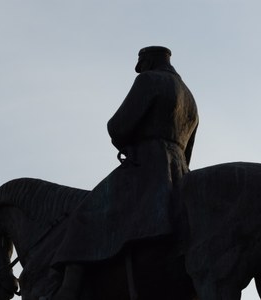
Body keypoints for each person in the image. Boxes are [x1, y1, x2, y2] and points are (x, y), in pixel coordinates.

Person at [51, 46, 199, 300]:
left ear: (149, 61)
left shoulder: (149, 80)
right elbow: (189, 148)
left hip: (146, 166)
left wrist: (125, 140)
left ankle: (69, 288)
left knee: (84, 213)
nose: (138, 69)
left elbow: (119, 126)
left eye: (140, 63)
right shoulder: (190, 98)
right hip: (179, 172)